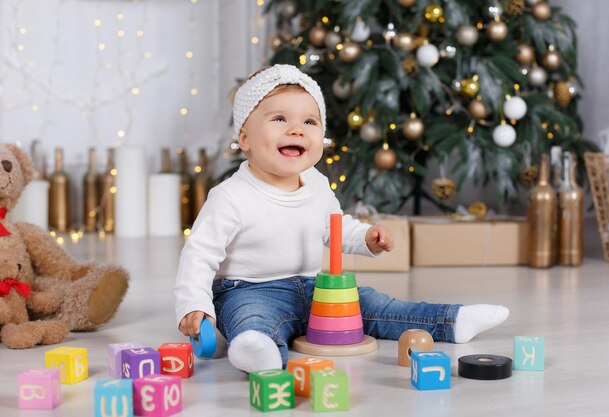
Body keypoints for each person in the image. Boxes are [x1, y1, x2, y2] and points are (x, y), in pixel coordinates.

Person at [175, 64, 509, 373]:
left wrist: (365, 238)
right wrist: (195, 304)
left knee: (376, 303)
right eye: (279, 119)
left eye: (310, 122)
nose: (296, 129)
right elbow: (199, 255)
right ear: (244, 138)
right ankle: (258, 351)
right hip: (249, 291)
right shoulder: (230, 196)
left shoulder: (318, 184)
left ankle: (452, 321)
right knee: (254, 319)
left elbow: (335, 226)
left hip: (315, 287)